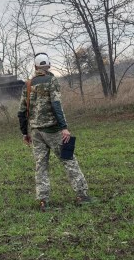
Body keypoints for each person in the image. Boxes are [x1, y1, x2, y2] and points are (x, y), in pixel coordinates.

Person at [17, 52, 92, 210]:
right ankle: (82, 195)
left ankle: (43, 200)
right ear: (48, 65)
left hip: (36, 132)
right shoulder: (52, 81)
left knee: (41, 166)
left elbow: (21, 111)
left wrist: (25, 132)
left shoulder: (28, 84)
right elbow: (57, 104)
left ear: (35, 67)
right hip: (54, 130)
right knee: (69, 159)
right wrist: (64, 127)